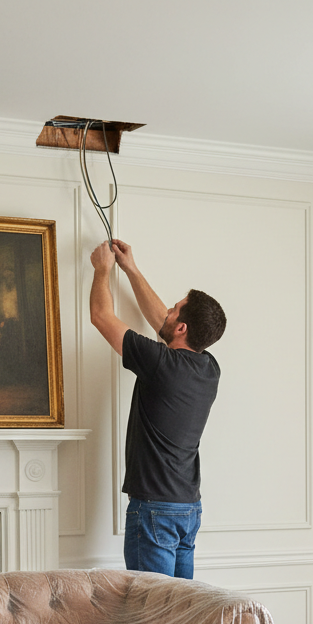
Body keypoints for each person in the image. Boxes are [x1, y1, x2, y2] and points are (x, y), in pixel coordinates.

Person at [89, 239, 226, 579]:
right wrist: (131, 269)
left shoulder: (161, 363)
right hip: (187, 509)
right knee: (178, 615)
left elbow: (101, 317)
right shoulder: (209, 367)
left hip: (154, 511)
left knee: (150, 614)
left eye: (175, 308)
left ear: (182, 328)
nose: (167, 310)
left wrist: (102, 269)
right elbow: (163, 323)